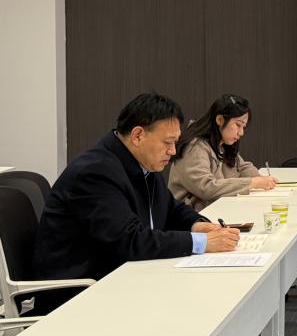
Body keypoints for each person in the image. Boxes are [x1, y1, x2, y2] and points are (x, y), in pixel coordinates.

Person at [32, 93, 240, 314]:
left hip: (121, 280)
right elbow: (129, 241)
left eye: (175, 142)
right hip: (78, 298)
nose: (173, 151)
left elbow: (171, 209)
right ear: (138, 135)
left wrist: (197, 225)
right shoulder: (95, 172)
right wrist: (201, 242)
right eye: (168, 142)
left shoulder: (142, 164)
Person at [169, 93, 276, 211]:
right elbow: (206, 188)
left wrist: (263, 180)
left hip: (216, 211)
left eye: (243, 126)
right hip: (193, 217)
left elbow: (242, 167)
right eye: (238, 125)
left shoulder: (222, 142)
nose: (241, 132)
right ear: (220, 120)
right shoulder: (194, 146)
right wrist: (252, 183)